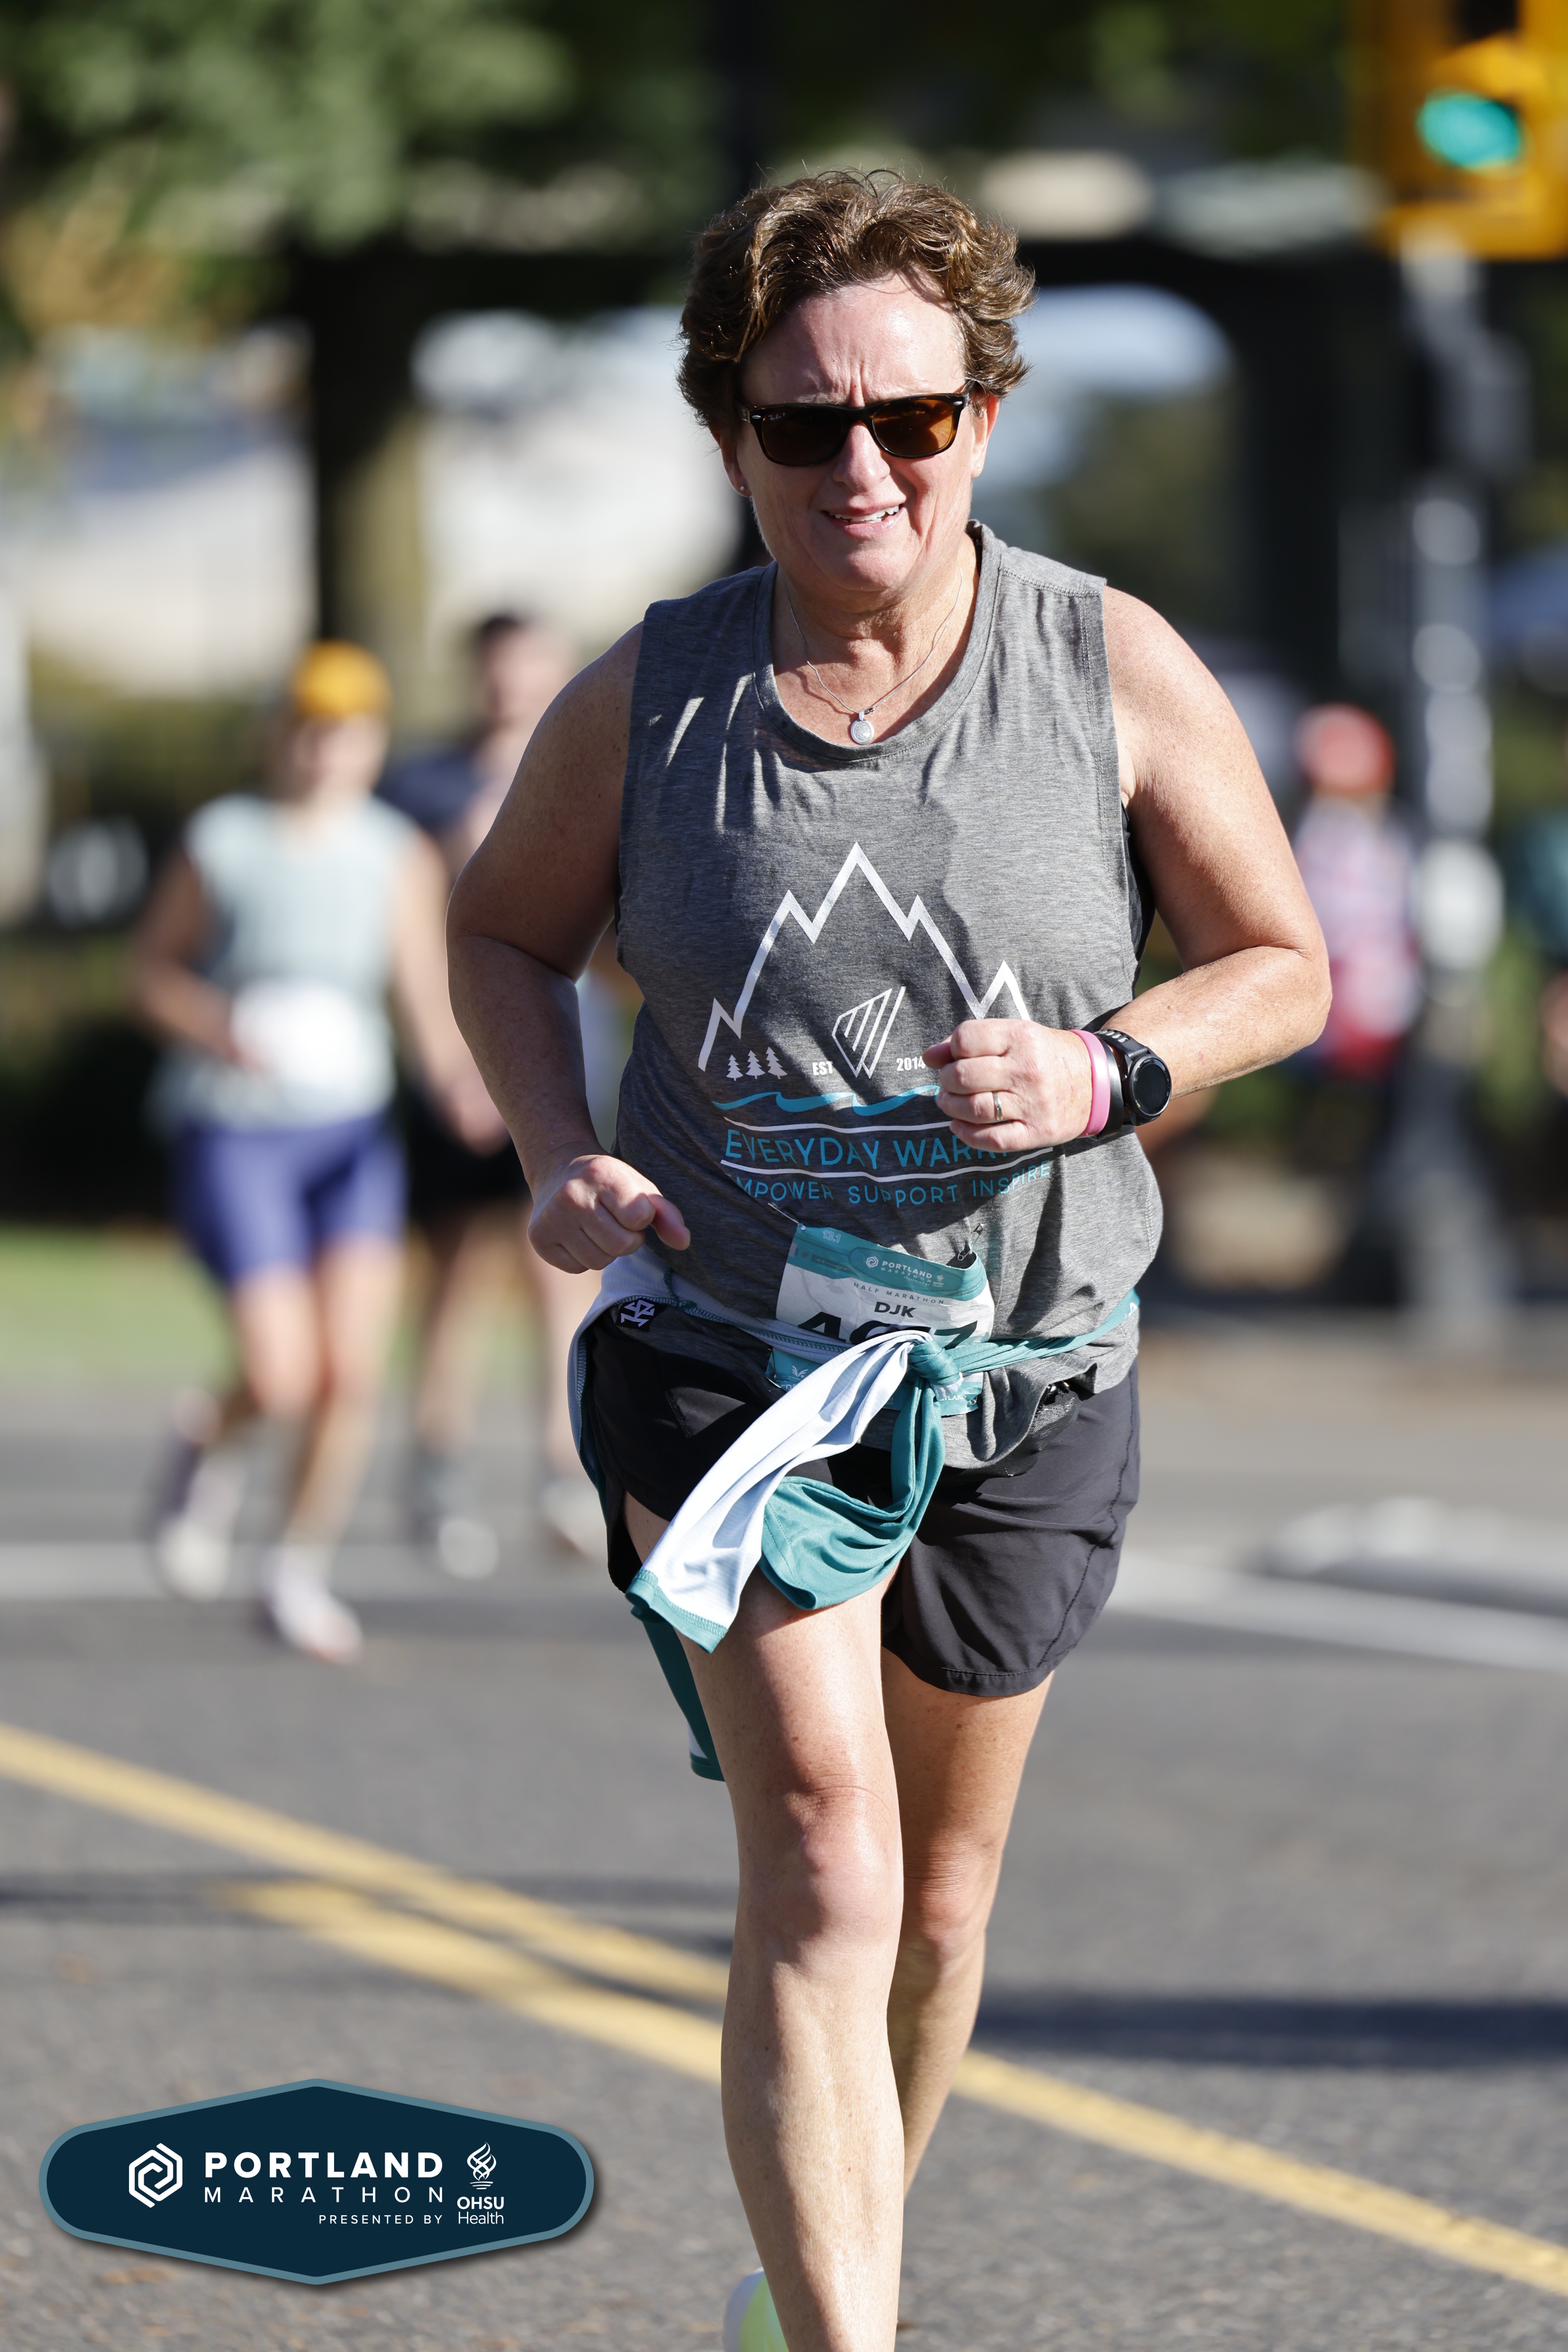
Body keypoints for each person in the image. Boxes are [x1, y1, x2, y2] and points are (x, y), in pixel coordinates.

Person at [448, 172, 1330, 2352]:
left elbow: (1281, 963)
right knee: (826, 1859)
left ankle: (812, 2280)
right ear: (728, 435)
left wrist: (1109, 1067)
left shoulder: (1102, 662)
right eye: (804, 424)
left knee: (937, 1906)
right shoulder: (650, 700)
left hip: (1026, 1358)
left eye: (912, 419)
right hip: (733, 1351)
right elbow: (501, 931)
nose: (863, 467)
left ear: (984, 417)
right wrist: (557, 1153)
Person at [133, 641, 496, 1663]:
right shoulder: (224, 839)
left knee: (351, 1370)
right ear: (277, 735)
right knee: (281, 1371)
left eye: (347, 732)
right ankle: (210, 1437)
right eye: (309, 729)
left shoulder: (395, 852)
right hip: (238, 1126)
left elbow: (420, 993)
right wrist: (214, 1025)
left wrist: (461, 1081)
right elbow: (150, 971)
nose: (326, 750)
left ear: (372, 743)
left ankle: (295, 1567)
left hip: (349, 1131)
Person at [378, 614, 607, 1569]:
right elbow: (410, 936)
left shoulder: (599, 766)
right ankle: (438, 1469)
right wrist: (448, 1062)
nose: (511, 686)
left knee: (570, 1266)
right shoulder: (420, 788)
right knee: (459, 1271)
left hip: (573, 1054)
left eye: (529, 668)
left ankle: (566, 1470)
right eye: (498, 668)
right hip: (464, 1061)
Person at [1290, 702, 1420, 1081]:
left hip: (1334, 1017)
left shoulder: (1325, 834)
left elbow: (1324, 926)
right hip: (1392, 1010)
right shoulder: (1397, 834)